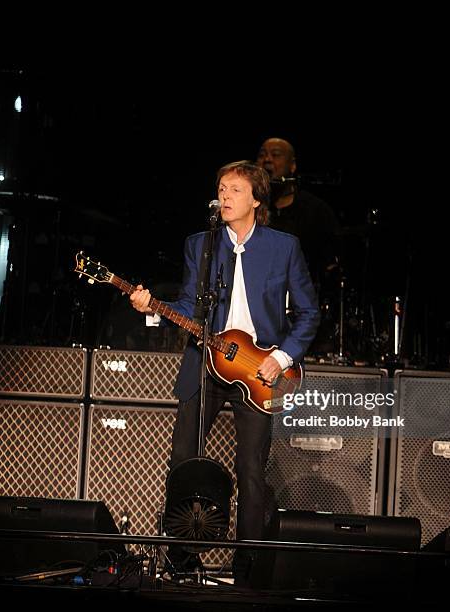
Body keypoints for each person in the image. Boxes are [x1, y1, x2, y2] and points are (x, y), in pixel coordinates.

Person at [130, 161, 319, 586]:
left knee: (250, 470)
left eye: (235, 189)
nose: (226, 196)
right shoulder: (200, 244)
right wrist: (150, 308)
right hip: (206, 363)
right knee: (183, 460)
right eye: (221, 188)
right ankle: (181, 562)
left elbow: (309, 313)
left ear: (256, 199)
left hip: (258, 371)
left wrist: (283, 357)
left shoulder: (283, 247)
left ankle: (248, 569)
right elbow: (185, 309)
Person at [255, 137, 341, 285]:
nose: (267, 160)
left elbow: (329, 263)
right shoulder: (250, 207)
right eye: (262, 155)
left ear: (293, 165)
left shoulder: (316, 210)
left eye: (275, 155)